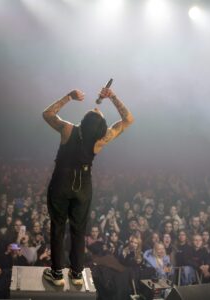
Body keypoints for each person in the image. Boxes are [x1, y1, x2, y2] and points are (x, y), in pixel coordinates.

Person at [42, 86, 134, 286]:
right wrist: (113, 98)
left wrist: (69, 97)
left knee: (58, 226)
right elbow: (128, 120)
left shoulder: (68, 129)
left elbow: (47, 114)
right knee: (78, 229)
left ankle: (57, 274)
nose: (96, 107)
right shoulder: (101, 140)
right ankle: (76, 274)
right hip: (83, 184)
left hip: (61, 181)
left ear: (84, 121)